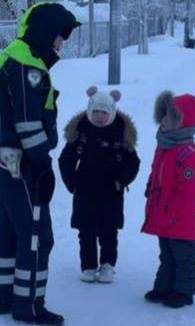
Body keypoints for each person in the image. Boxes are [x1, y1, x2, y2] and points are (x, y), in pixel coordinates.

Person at [0, 3, 80, 325]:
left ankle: (6, 297)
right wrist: (43, 166)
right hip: (22, 166)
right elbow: (28, 124)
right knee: (37, 236)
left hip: (8, 163)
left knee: (9, 233)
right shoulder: (26, 66)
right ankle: (29, 305)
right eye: (61, 37)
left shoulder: (13, 58)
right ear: (46, 33)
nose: (62, 44)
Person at [58, 87, 140, 284]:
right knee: (86, 231)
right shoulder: (81, 131)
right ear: (89, 110)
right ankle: (88, 266)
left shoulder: (120, 132)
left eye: (104, 112)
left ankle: (107, 265)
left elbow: (133, 163)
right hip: (85, 189)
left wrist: (121, 180)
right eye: (95, 111)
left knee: (108, 231)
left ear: (111, 112)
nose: (100, 116)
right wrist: (72, 183)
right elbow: (66, 159)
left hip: (111, 191)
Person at [142, 91, 195, 309]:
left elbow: (189, 193)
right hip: (163, 213)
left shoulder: (188, 154)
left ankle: (184, 291)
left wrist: (171, 212)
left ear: (184, 123)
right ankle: (164, 287)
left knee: (184, 255)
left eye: (171, 117)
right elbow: (156, 171)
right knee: (167, 252)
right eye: (164, 115)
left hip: (179, 218)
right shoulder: (165, 145)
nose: (164, 120)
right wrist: (150, 189)